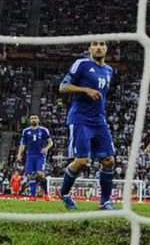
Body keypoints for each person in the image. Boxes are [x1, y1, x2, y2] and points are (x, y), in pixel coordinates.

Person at [58, 40, 117, 210]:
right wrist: (85, 90)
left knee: (109, 160)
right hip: (80, 118)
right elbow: (63, 87)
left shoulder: (109, 70)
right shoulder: (81, 64)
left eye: (102, 44)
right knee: (82, 161)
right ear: (90, 48)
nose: (98, 47)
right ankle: (64, 193)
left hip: (99, 120)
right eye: (95, 44)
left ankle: (105, 202)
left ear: (106, 48)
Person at [16, 114, 53, 201]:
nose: (34, 120)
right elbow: (23, 145)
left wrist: (46, 148)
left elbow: (50, 142)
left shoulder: (44, 130)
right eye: (32, 118)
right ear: (29, 121)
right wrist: (19, 154)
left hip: (40, 156)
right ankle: (33, 196)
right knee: (31, 176)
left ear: (38, 120)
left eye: (35, 118)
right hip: (30, 156)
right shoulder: (26, 131)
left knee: (40, 173)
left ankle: (46, 194)